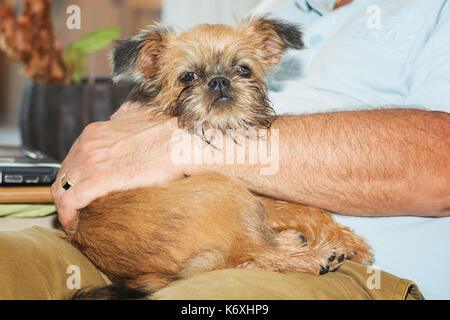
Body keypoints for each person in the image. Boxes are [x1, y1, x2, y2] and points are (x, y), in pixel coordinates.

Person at [51, 0, 449, 298]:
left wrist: (177, 145)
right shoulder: (278, 7)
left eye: (242, 71)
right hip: (137, 242)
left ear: (270, 55)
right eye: (192, 77)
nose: (220, 84)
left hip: (291, 266)